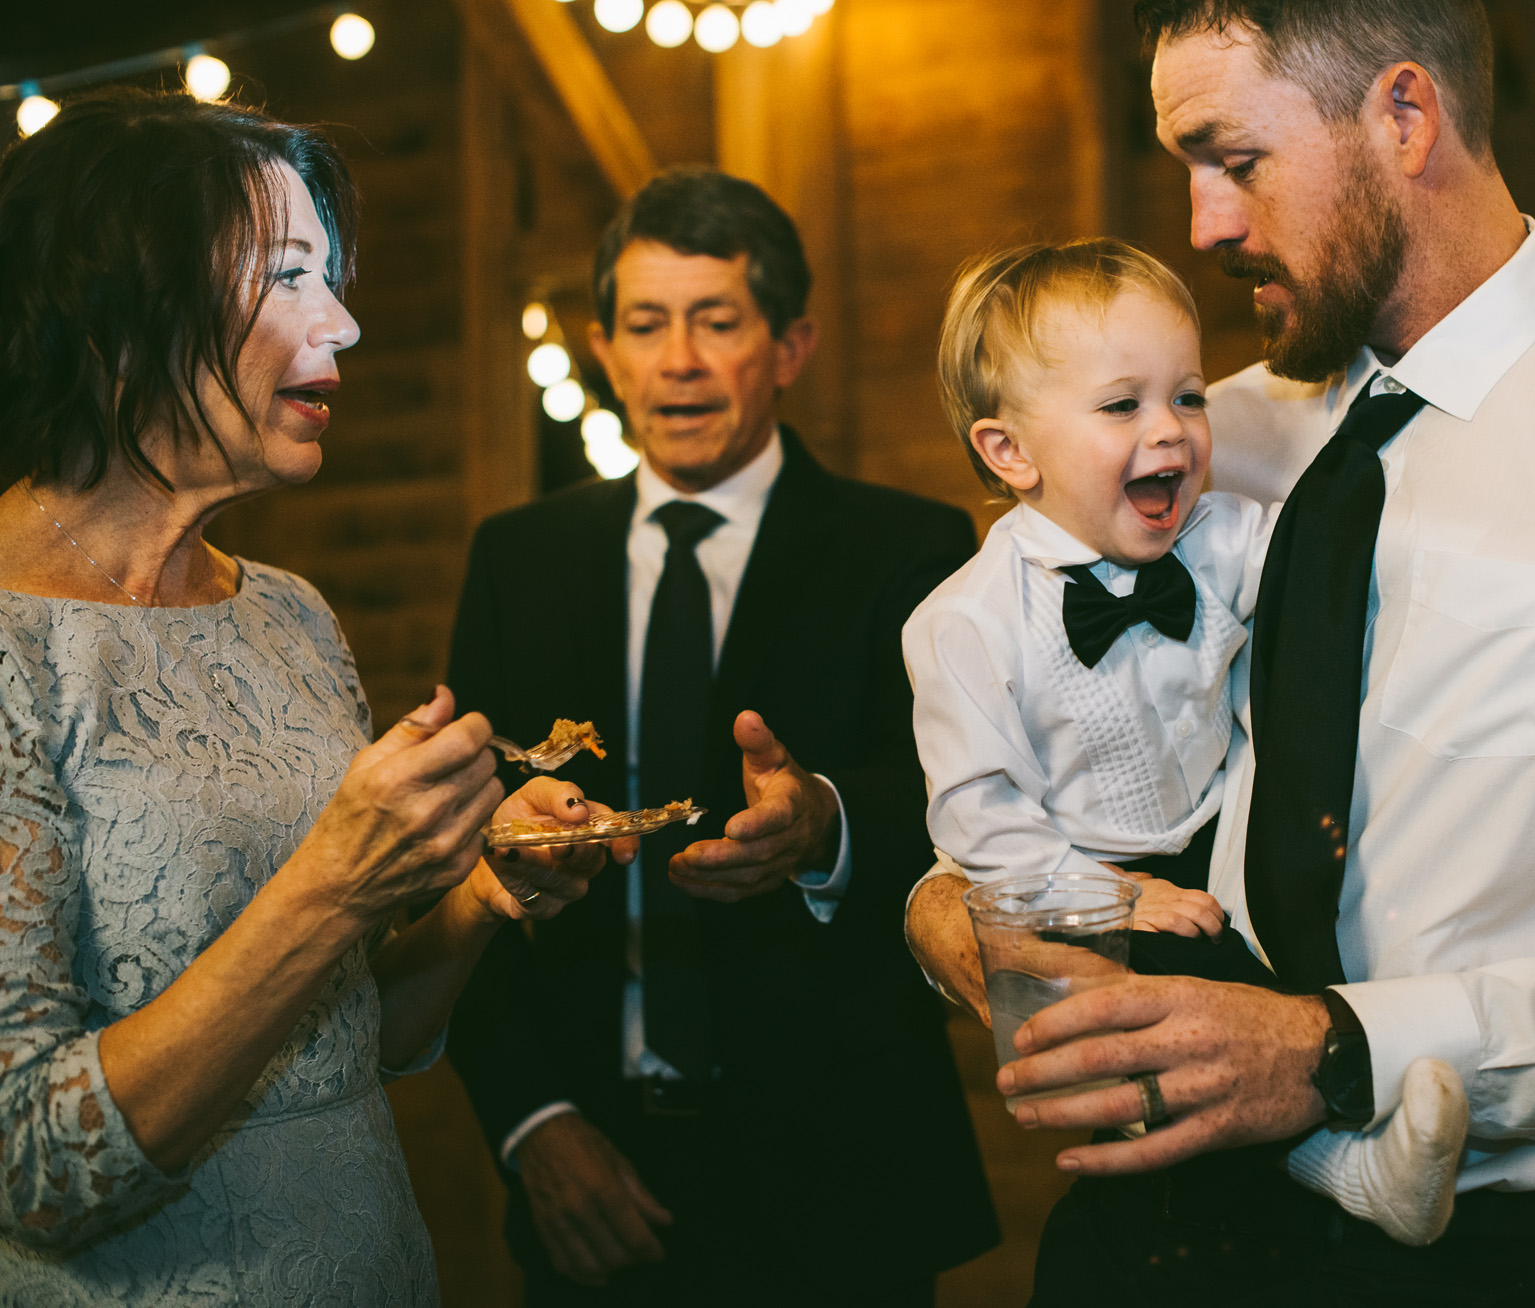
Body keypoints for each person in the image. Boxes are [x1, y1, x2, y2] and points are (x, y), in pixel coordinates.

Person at [906, 1, 1535, 1303]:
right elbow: (1026, 683)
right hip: (1138, 1240)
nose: (1205, 226)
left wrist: (1344, 1051)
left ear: (1403, 116)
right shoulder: (1205, 440)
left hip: (1449, 1263)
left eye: (1234, 160)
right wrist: (935, 899)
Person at [0, 90, 632, 1305]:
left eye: (329, 277)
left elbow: (356, 1040)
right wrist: (338, 875)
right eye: (288, 277)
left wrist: (475, 896)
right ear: (123, 307)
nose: (341, 321)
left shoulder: (286, 612)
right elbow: (33, 1166)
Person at [444, 166, 997, 1306]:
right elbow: (461, 854)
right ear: (605, 348)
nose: (677, 361)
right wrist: (531, 1124)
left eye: (716, 323)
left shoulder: (910, 547)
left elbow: (964, 810)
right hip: (593, 1173)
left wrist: (826, 823)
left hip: (843, 1173)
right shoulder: (518, 560)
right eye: (646, 326)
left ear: (789, 346)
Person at [906, 237, 1468, 1248]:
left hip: (1218, 839)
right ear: (1009, 452)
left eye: (1190, 396)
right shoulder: (965, 623)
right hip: (1070, 880)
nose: (1169, 431)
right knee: (1152, 1048)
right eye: (1122, 406)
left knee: (1281, 998)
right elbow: (978, 821)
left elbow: (1339, 599)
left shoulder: (1226, 542)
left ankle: (1341, 1149)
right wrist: (1114, 895)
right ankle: (1344, 1173)